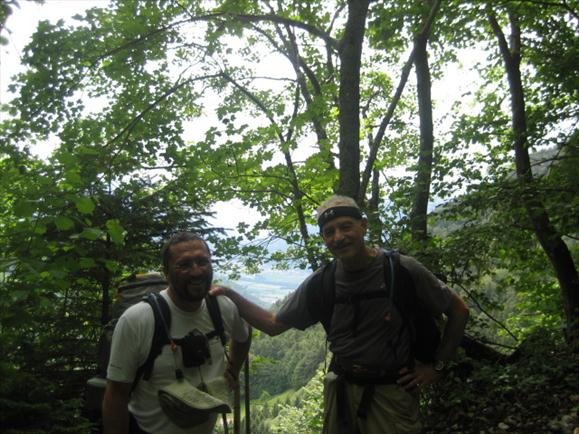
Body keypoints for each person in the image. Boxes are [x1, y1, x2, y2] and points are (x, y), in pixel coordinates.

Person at [211, 195, 469, 434]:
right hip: (341, 390)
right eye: (329, 232)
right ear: (323, 238)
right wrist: (230, 294)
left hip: (392, 393)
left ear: (363, 226)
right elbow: (274, 324)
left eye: (346, 227)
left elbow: (459, 311)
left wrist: (437, 366)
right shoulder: (323, 282)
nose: (339, 237)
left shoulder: (401, 270)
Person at [103, 232, 251, 434]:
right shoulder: (137, 320)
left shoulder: (222, 307)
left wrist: (233, 369)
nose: (196, 271)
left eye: (203, 261)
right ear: (166, 272)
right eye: (184, 265)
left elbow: (244, 334)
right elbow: (116, 395)